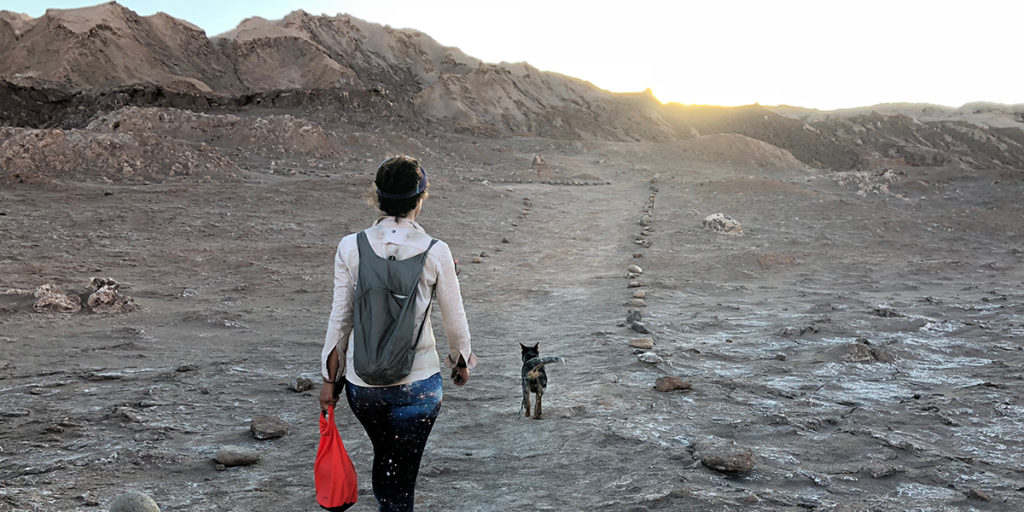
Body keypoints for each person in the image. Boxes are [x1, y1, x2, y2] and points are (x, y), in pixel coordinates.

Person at [319, 155, 476, 512]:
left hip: (364, 385)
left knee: (385, 458)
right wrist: (461, 360)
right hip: (418, 385)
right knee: (402, 474)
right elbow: (455, 317)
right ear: (420, 199)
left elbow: (340, 320)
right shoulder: (437, 251)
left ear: (377, 196)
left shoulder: (349, 246)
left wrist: (330, 380)